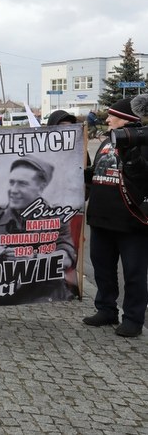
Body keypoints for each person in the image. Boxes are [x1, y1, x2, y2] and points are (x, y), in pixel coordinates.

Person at [0, 156, 77, 305]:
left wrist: (33, 258)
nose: (13, 190)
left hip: (38, 297)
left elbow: (66, 258)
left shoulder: (55, 217)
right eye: (12, 182)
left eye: (22, 184)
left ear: (41, 187)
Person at [83, 97, 148, 337]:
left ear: (127, 120)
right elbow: (97, 172)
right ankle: (106, 309)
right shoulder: (107, 141)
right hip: (101, 219)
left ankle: (133, 318)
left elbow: (142, 177)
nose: (108, 119)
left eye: (112, 116)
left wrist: (132, 157)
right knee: (103, 269)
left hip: (131, 222)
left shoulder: (142, 143)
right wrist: (80, 174)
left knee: (134, 274)